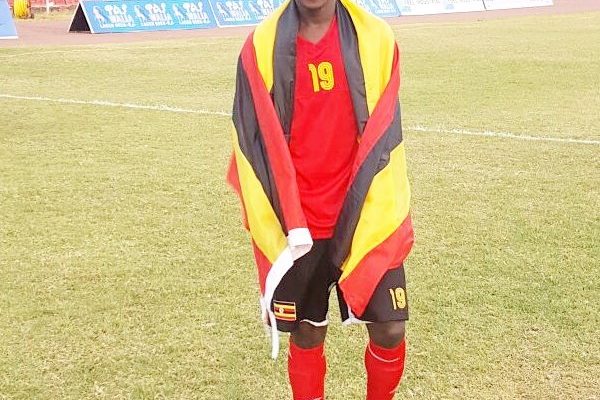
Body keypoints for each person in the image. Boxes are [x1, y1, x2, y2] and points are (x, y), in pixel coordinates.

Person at [227, 0, 414, 398]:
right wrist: (285, 219)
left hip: (364, 217)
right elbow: (251, 141)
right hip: (298, 223)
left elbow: (385, 134)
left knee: (390, 328)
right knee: (307, 332)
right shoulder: (261, 46)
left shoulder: (375, 38)